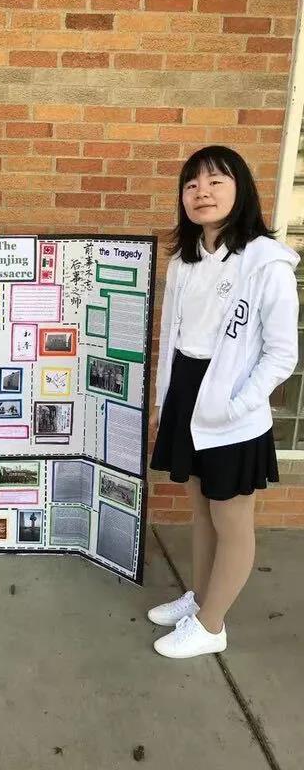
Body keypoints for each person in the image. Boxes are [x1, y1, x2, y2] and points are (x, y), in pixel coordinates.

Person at [148, 145, 299, 659]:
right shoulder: (186, 260)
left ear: (242, 190)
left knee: (231, 520)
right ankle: (200, 601)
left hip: (232, 406)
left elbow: (282, 354)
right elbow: (174, 339)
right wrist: (165, 400)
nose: (202, 193)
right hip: (188, 391)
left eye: (216, 181)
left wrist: (239, 405)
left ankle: (212, 626)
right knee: (201, 510)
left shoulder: (266, 262)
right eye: (191, 185)